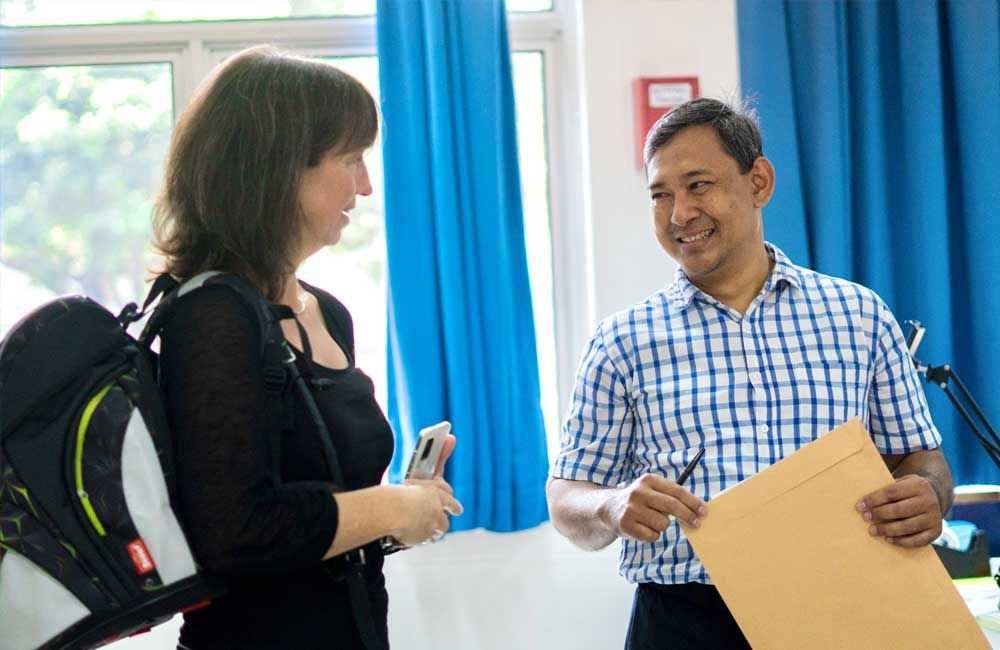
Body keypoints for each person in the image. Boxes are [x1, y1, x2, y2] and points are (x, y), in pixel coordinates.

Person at [546, 98, 953, 649]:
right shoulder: (621, 341)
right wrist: (609, 504)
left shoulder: (860, 315)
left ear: (758, 181)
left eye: (698, 185)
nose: (678, 214)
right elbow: (565, 495)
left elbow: (922, 458)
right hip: (685, 624)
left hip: (849, 605)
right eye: (660, 194)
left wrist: (929, 493)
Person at [152, 45, 462, 650]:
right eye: (351, 159)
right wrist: (392, 507)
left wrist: (405, 514)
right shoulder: (212, 316)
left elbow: (318, 524)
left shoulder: (328, 313)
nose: (365, 185)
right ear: (278, 169)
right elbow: (233, 532)